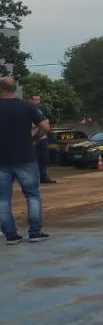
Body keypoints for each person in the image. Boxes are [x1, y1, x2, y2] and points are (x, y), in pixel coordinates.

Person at [1, 76, 51, 244]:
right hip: (25, 157)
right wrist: (34, 137)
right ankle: (35, 232)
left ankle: (10, 235)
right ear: (15, 89)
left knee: (3, 199)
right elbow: (45, 127)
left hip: (1, 160)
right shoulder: (26, 106)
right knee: (32, 195)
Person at [28, 94, 56, 184]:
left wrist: (42, 125)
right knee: (32, 159)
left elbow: (46, 121)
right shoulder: (26, 109)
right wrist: (38, 124)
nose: (37, 102)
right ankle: (33, 178)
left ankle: (43, 176)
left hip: (42, 137)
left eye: (38, 100)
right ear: (30, 100)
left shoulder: (41, 110)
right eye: (35, 100)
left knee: (44, 158)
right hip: (32, 137)